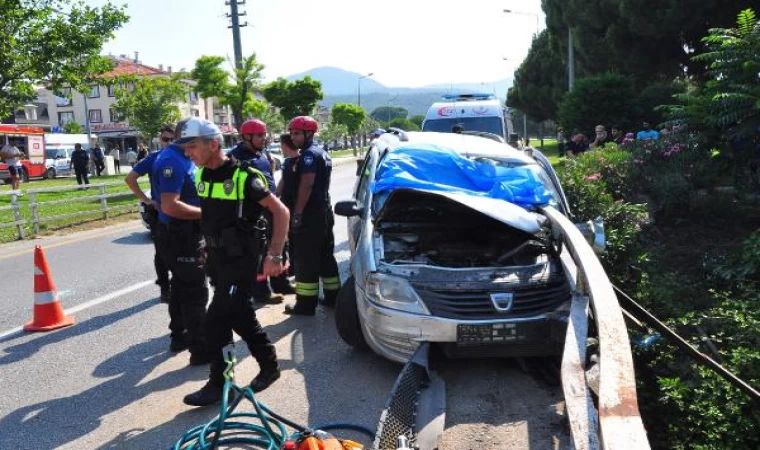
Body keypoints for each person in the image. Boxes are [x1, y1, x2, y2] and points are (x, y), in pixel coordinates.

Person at [176, 117, 288, 406]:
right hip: (218, 260)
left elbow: (281, 212)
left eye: (192, 147)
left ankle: (219, 382)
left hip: (242, 261)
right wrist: (206, 246)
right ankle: (269, 366)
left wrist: (275, 255)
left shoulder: (244, 176)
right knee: (238, 316)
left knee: (214, 321)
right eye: (185, 148)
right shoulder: (201, 175)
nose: (188, 153)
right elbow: (210, 215)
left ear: (213, 145)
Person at [152, 124, 209, 364]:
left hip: (184, 232)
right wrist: (207, 213)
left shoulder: (183, 157)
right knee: (195, 290)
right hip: (179, 234)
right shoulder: (172, 162)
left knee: (180, 287)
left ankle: (180, 335)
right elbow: (170, 205)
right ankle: (201, 348)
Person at [228, 119, 294, 300]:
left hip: (271, 209)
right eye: (259, 135)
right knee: (260, 250)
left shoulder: (263, 154)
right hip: (254, 213)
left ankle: (281, 283)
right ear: (246, 137)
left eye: (264, 134)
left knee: (280, 245)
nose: (264, 138)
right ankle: (261, 292)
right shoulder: (235, 158)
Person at [284, 116, 341, 315]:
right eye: (291, 133)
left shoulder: (308, 155)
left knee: (305, 259)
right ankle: (334, 297)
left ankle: (306, 304)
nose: (293, 137)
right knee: (326, 256)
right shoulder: (321, 153)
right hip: (323, 211)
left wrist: (298, 213)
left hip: (310, 214)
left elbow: (306, 185)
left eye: (297, 133)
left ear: (309, 134)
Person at [124, 124, 174, 306]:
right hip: (160, 214)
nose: (168, 142)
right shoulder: (154, 158)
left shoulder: (186, 157)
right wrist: (147, 200)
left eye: (172, 139)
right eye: (165, 139)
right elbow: (130, 179)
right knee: (161, 253)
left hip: (182, 214)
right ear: (160, 140)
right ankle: (165, 289)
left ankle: (181, 285)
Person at [277, 133, 300, 278]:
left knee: (295, 238)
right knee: (289, 237)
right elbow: (282, 182)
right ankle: (292, 267)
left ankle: (297, 268)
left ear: (285, 145)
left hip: (295, 206)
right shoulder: (287, 162)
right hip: (287, 206)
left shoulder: (299, 162)